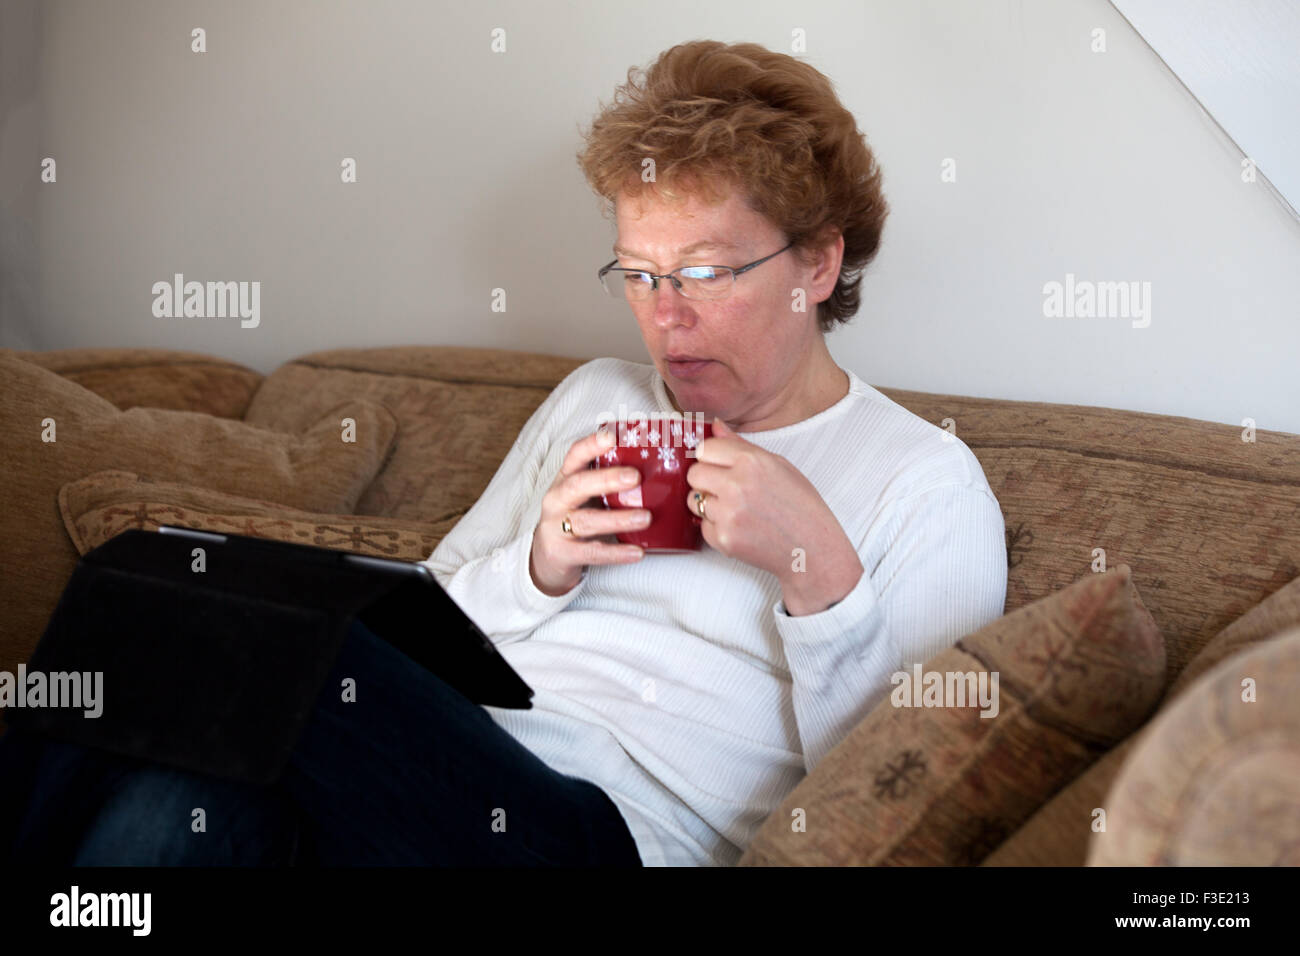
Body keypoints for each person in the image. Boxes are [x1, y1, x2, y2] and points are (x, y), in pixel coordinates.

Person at [0, 39, 1006, 868]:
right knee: (173, 771)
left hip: (601, 838)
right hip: (422, 779)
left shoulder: (923, 480)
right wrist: (538, 567)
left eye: (705, 271)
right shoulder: (596, 397)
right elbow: (427, 630)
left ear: (818, 261)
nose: (669, 316)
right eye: (640, 273)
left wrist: (817, 577)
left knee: (253, 631)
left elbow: (900, 795)